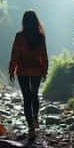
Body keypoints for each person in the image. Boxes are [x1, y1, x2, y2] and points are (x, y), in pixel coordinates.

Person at [9, 10, 48, 140]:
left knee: (27, 98)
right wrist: (44, 70)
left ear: (24, 21)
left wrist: (12, 69)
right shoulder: (40, 36)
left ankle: (31, 127)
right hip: (36, 70)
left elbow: (15, 54)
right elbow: (44, 55)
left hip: (23, 71)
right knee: (34, 94)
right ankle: (35, 117)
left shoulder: (19, 36)